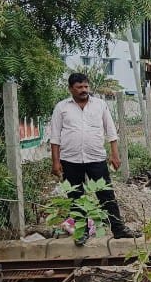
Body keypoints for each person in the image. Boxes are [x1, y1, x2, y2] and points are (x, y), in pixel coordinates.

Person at [50, 72, 141, 245]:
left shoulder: (100, 105)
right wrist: (55, 162)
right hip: (70, 160)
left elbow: (111, 131)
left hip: (96, 158)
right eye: (79, 87)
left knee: (106, 195)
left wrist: (115, 154)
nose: (84, 90)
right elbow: (55, 137)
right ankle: (81, 232)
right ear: (71, 89)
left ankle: (118, 229)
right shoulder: (62, 108)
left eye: (86, 86)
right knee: (75, 196)